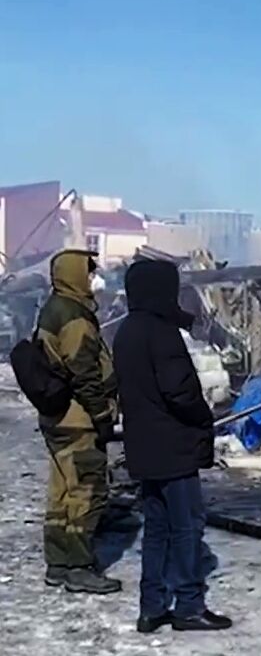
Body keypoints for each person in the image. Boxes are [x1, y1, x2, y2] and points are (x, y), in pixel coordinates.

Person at [113, 259, 232, 634]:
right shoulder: (160, 332)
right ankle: (189, 605)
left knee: (157, 528)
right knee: (187, 527)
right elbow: (179, 390)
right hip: (174, 444)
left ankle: (152, 607)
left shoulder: (127, 330)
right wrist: (202, 416)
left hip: (144, 445)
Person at [36, 248, 121, 594]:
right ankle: (79, 566)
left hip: (58, 418)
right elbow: (84, 370)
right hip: (79, 418)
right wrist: (102, 414)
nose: (91, 279)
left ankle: (57, 563)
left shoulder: (54, 308)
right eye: (87, 272)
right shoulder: (74, 316)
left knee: (62, 492)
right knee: (87, 491)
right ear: (73, 275)